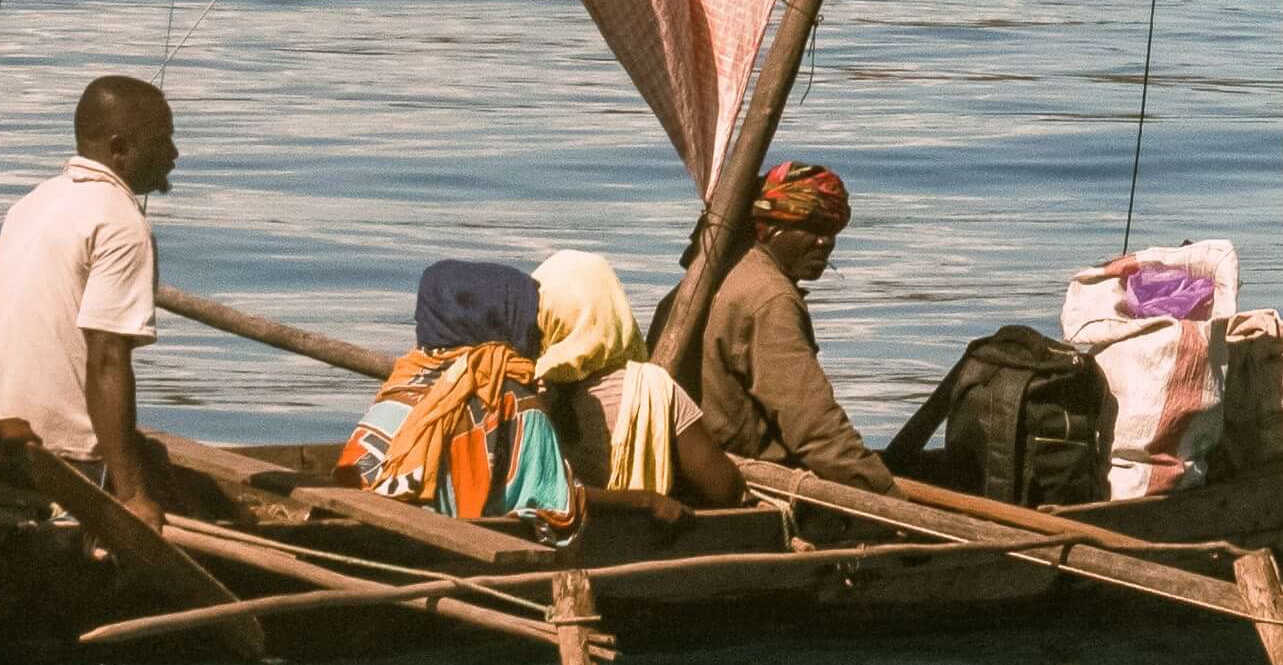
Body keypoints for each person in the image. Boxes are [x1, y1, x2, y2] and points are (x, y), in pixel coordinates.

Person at [0, 74, 177, 518]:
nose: (174, 155)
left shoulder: (32, 204)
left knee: (155, 459)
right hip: (52, 457)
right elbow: (107, 358)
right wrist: (132, 495)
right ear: (119, 149)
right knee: (151, 485)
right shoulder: (120, 224)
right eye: (163, 141)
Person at [690, 161, 887, 489]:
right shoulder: (770, 298)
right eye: (812, 228)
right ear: (769, 227)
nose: (825, 243)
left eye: (831, 232)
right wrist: (886, 496)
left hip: (712, 465)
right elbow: (816, 432)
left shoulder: (721, 274)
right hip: (754, 480)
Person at [342, 260, 568, 529]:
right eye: (531, 319)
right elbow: (555, 518)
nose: (538, 333)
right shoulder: (517, 403)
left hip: (359, 521)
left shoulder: (402, 382)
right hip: (452, 547)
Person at [528, 248, 735, 528]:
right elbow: (725, 490)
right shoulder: (654, 390)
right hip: (638, 545)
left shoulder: (526, 390)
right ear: (616, 310)